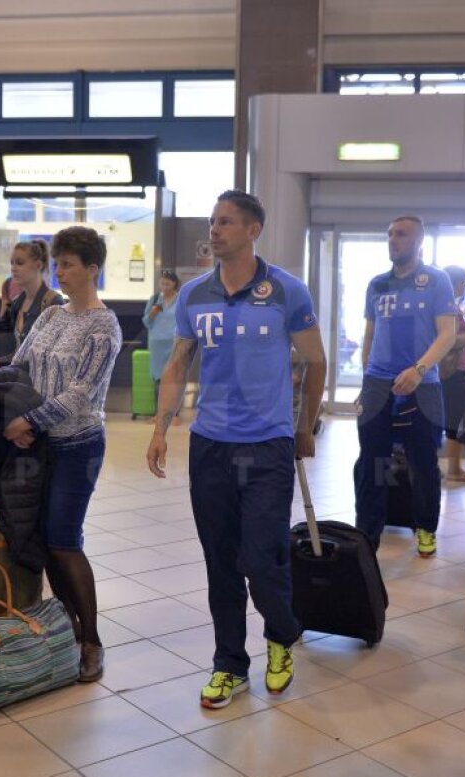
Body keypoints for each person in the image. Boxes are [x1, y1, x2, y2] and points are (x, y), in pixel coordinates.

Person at [146, 190, 326, 709]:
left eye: (225, 222)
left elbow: (315, 362)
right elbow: (179, 363)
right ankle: (229, 664)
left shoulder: (287, 291)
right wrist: (162, 425)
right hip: (210, 446)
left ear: (253, 229)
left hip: (267, 445)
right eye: (213, 221)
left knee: (261, 558)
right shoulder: (195, 295)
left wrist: (305, 424)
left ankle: (281, 635)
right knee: (220, 562)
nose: (214, 230)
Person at [3, 226, 121, 683]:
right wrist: (5, 405)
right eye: (58, 263)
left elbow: (81, 394)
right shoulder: (51, 317)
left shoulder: (103, 324)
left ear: (92, 269)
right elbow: (19, 365)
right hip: (39, 444)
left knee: (65, 540)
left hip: (78, 445)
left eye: (69, 264)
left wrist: (29, 421)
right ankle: (69, 627)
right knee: (44, 539)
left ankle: (92, 639)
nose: (61, 271)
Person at [353, 216, 457, 558]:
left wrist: (419, 368)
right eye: (390, 234)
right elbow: (370, 334)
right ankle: (367, 536)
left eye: (401, 234)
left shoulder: (436, 280)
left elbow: (447, 334)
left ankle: (426, 528)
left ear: (419, 241)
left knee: (423, 463)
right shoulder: (376, 284)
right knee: (372, 462)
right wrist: (366, 379)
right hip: (377, 385)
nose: (393, 239)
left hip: (422, 386)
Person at [0, 239, 64, 360]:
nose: (13, 268)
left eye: (19, 263)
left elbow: (44, 354)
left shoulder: (53, 302)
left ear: (38, 265)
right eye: (12, 263)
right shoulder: (16, 303)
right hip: (14, 369)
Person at [440, 266, 465, 483]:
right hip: (454, 374)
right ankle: (454, 469)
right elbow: (451, 341)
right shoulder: (448, 308)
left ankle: (454, 467)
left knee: (455, 420)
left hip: (457, 373)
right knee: (455, 422)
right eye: (463, 281)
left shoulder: (451, 306)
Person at [141, 269, 181, 408]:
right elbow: (146, 322)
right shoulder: (155, 298)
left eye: (167, 284)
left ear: (174, 284)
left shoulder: (180, 300)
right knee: (158, 377)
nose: (164, 287)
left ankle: (174, 413)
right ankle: (158, 413)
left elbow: (184, 321)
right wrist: (152, 314)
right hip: (156, 344)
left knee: (173, 378)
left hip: (174, 343)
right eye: (162, 283)